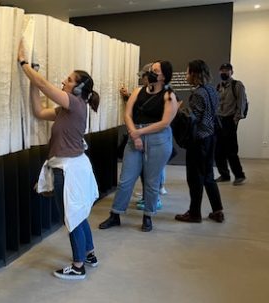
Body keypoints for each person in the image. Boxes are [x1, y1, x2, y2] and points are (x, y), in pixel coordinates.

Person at [18, 41, 100, 280]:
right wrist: (32, 80)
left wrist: (25, 64)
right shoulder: (67, 109)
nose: (65, 82)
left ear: (77, 88)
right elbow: (38, 111)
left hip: (70, 169)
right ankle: (90, 254)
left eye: (69, 80)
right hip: (72, 167)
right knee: (79, 213)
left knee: (72, 216)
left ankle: (78, 266)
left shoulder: (74, 103)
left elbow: (44, 85)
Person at [99, 61, 177, 232]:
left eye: (155, 70)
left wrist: (139, 134)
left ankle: (148, 216)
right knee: (126, 180)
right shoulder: (137, 91)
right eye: (151, 69)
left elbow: (164, 123)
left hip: (158, 140)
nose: (150, 72)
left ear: (163, 76)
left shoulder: (169, 96)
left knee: (151, 181)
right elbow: (127, 114)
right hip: (135, 136)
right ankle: (115, 214)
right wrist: (135, 133)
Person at [175, 59, 224, 223]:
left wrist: (178, 109)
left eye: (188, 72)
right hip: (211, 137)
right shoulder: (211, 90)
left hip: (199, 141)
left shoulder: (197, 93)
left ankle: (194, 213)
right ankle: (218, 211)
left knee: (195, 178)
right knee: (208, 176)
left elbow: (192, 118)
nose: (186, 75)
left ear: (194, 74)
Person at [214, 63, 246, 185]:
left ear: (231, 72)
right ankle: (224, 175)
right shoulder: (219, 86)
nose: (224, 72)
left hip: (230, 120)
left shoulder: (237, 85)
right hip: (219, 121)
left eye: (227, 70)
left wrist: (236, 119)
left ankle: (239, 175)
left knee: (231, 150)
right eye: (222, 70)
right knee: (218, 150)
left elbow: (241, 102)